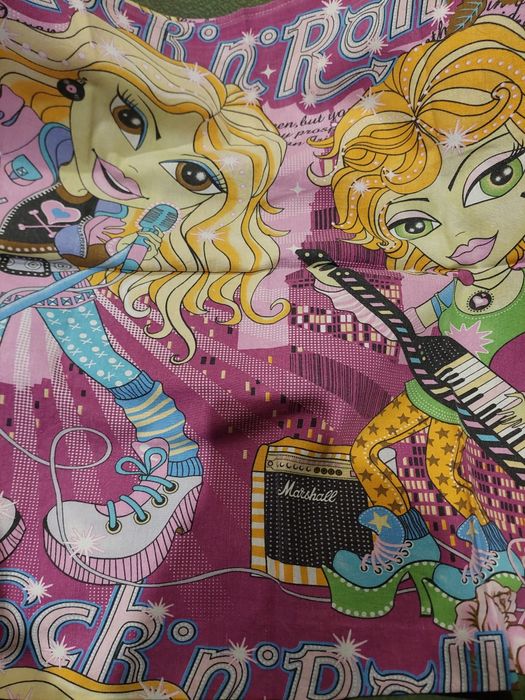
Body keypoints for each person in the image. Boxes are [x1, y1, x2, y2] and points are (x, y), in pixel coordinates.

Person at [0, 11, 287, 582]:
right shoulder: (40, 137)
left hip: (58, 286)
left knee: (102, 362)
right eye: (127, 116)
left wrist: (114, 242)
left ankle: (175, 464)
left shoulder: (120, 210)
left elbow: (103, 250)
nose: (129, 166)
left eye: (193, 175)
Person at [306, 13, 525, 619]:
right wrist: (345, 291)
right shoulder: (453, 288)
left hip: (470, 410)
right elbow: (401, 318)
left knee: (445, 475)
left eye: (497, 175)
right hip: (427, 395)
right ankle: (409, 541)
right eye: (415, 221)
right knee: (369, 453)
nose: (461, 235)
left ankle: (488, 554)